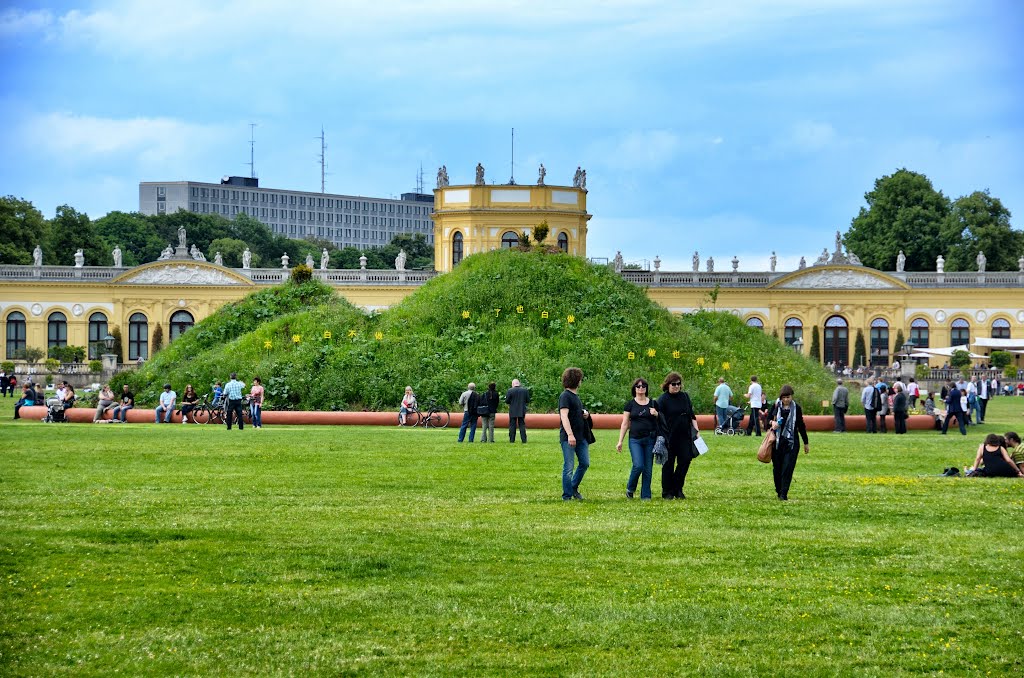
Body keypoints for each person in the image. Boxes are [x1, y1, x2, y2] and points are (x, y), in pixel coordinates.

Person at [656, 371, 699, 500]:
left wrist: (697, 432)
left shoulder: (685, 397)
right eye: (673, 384)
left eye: (678, 384)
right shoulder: (662, 400)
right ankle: (667, 492)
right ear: (667, 385)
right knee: (668, 464)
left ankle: (678, 488)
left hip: (684, 436)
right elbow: (658, 419)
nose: (676, 386)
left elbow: (691, 415)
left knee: (685, 460)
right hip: (669, 437)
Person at [616, 378, 659, 500]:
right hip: (635, 440)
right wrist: (620, 441)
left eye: (644, 385)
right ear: (634, 388)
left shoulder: (653, 403)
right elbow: (625, 423)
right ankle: (630, 488)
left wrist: (656, 414)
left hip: (650, 439)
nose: (641, 388)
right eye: (638, 386)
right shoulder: (630, 404)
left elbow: (662, 420)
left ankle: (646, 495)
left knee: (648, 468)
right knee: (638, 465)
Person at [767, 384, 809, 500]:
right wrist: (772, 423)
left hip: (792, 443)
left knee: (788, 468)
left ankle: (784, 493)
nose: (786, 399)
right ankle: (778, 489)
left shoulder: (797, 408)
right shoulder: (776, 407)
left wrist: (806, 442)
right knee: (777, 468)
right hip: (777, 442)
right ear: (781, 397)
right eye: (784, 397)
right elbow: (766, 421)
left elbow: (801, 425)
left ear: (792, 397)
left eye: (788, 397)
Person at [558, 367, 590, 500]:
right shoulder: (565, 396)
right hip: (569, 437)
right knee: (569, 466)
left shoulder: (576, 396)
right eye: (580, 379)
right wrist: (570, 435)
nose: (581, 381)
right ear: (576, 380)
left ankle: (573, 487)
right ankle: (567, 495)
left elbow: (574, 413)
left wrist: (585, 414)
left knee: (584, 463)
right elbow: (564, 416)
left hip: (581, 436)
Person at [505, 378, 530, 443]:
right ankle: (524, 440)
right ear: (519, 383)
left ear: (513, 384)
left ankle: (512, 440)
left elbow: (507, 401)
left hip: (513, 410)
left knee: (512, 425)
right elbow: (528, 400)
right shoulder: (525, 390)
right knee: (522, 425)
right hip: (521, 410)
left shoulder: (510, 391)